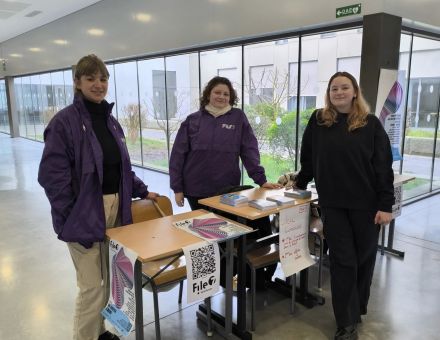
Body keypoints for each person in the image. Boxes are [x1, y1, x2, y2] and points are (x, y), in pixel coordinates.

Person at [38, 54, 159, 340]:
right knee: (92, 287)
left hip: (117, 209)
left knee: (117, 280)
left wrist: (143, 191)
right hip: (84, 213)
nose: (98, 84)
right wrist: (71, 215)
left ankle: (107, 332)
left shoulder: (111, 122)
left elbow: (122, 169)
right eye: (90, 78)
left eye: (103, 78)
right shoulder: (63, 122)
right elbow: (52, 177)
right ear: (77, 82)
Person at [294, 71, 394, 340]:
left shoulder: (370, 124)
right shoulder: (318, 121)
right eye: (334, 88)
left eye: (344, 87)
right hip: (333, 205)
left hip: (367, 206)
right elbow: (308, 158)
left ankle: (357, 306)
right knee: (343, 261)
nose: (338, 92)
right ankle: (346, 323)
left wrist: (386, 205)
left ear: (354, 92)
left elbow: (383, 167)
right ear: (329, 93)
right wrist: (299, 184)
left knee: (364, 259)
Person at [169, 75, 281, 210]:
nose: (221, 96)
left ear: (231, 97)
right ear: (208, 94)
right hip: (196, 188)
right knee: (201, 226)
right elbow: (177, 156)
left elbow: (249, 151)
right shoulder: (192, 120)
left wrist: (261, 180)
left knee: (226, 227)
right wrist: (177, 189)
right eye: (217, 92)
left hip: (227, 189)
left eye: (226, 94)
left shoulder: (238, 118)